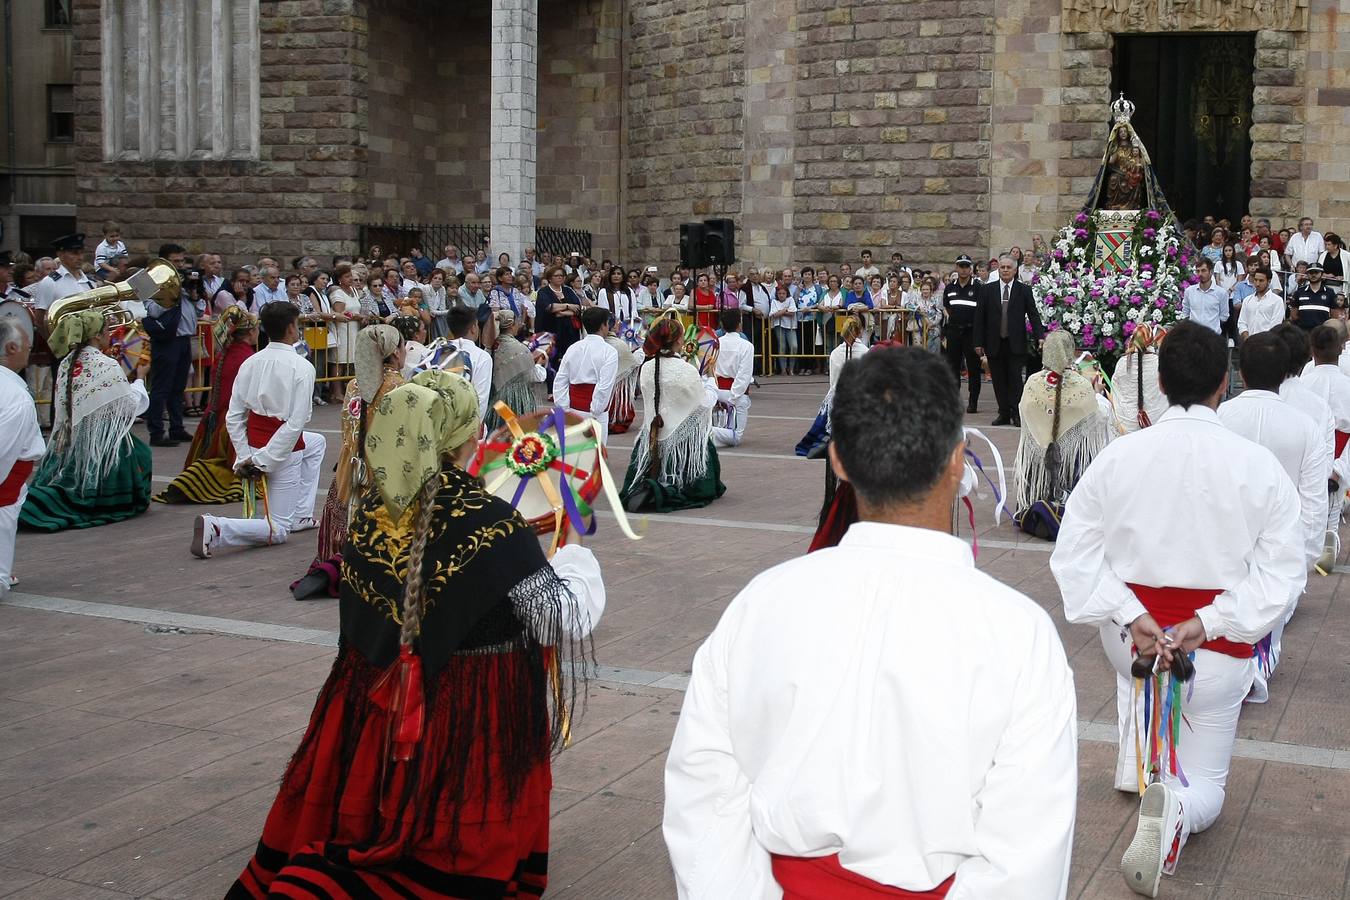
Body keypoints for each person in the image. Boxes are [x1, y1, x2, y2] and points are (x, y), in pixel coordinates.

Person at [666, 346, 1076, 898]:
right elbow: (1025, 855)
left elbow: (704, 794)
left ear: (837, 461)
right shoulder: (1020, 633)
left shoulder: (762, 604)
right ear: (959, 461)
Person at [230, 370, 605, 898]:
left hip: (377, 704)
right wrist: (575, 558)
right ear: (461, 438)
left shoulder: (368, 515)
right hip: (466, 719)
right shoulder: (493, 524)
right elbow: (560, 617)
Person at [1051, 321, 1304, 897]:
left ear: (1160, 382)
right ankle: (1179, 806)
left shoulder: (1119, 457)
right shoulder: (1257, 464)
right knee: (1209, 781)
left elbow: (1075, 554)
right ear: (1225, 383)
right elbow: (1283, 572)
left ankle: (1155, 782)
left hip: (1131, 644)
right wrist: (1208, 621)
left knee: (1154, 705)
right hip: (1211, 649)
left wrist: (1130, 612)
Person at [1216, 332, 1326, 703]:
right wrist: (1307, 555)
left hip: (1226, 535)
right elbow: (1313, 500)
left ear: (1241, 372)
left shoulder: (1221, 417)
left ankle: (1235, 668)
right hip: (1279, 538)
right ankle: (1249, 669)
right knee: (1265, 610)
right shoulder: (1304, 426)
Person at [191, 302, 326, 557]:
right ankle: (218, 528)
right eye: (297, 324)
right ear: (290, 328)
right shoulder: (302, 367)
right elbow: (295, 424)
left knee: (317, 443)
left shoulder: (251, 362)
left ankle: (302, 514)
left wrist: (245, 455)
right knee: (278, 530)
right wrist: (262, 460)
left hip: (256, 442)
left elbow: (235, 416)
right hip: (281, 449)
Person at [292, 324, 406, 601]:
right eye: (403, 347)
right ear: (393, 352)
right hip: (383, 474)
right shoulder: (402, 387)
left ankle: (336, 563)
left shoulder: (354, 385)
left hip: (349, 470)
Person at [19, 310, 153, 531]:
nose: (109, 334)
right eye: (106, 330)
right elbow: (129, 406)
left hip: (67, 441)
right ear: (96, 336)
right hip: (100, 444)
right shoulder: (106, 364)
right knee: (141, 455)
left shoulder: (66, 362)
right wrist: (139, 380)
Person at [1012, 330, 1112, 540]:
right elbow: (1098, 417)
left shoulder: (1033, 382)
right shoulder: (1082, 385)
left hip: (1038, 458)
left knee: (1037, 460)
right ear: (1068, 352)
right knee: (1079, 458)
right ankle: (1070, 504)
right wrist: (1099, 395)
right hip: (1072, 460)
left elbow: (1024, 410)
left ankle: (1035, 501)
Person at [154, 306, 258, 504]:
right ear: (251, 332)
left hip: (213, 415)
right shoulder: (246, 357)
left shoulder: (226, 352)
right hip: (231, 420)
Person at [620, 317, 726, 512]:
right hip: (683, 446)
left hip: (651, 438)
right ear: (679, 341)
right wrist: (711, 379)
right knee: (702, 445)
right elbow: (704, 404)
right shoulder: (686, 370)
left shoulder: (647, 367)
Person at [0, 318, 44, 594]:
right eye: (26, 346)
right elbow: (3, 450)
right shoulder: (15, 396)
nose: (29, 350)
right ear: (12, 347)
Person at [975, 254, 1044, 427]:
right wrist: (978, 342)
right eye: (1002, 267)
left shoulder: (1024, 290)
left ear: (1015, 270)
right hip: (994, 342)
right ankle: (1003, 413)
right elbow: (979, 318)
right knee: (998, 380)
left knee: (1015, 380)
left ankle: (1016, 413)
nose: (1005, 270)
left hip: (1015, 343)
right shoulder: (987, 290)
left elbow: (1033, 315)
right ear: (998, 269)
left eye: (1008, 267)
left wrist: (1040, 337)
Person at [142, 244, 200, 447]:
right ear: (165, 262)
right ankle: (156, 432)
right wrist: (172, 293)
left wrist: (193, 292)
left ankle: (177, 428)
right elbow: (150, 310)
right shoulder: (149, 281)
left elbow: (198, 309)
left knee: (178, 387)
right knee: (161, 387)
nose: (180, 265)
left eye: (182, 261)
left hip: (184, 339)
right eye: (175, 262)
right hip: (166, 340)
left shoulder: (182, 280)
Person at [554, 306, 620, 445]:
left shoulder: (573, 348)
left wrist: (564, 407)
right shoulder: (609, 352)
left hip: (573, 408)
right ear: (604, 325)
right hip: (595, 411)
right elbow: (605, 385)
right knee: (595, 457)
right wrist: (595, 410)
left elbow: (560, 380)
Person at [483, 308, 547, 434]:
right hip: (519, 402)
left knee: (496, 433)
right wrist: (539, 364)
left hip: (495, 401)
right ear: (512, 325)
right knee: (517, 434)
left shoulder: (490, 347)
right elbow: (534, 376)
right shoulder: (520, 349)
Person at [943, 254, 983, 412]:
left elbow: (982, 311)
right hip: (954, 331)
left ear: (971, 268)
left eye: (967, 266)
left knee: (973, 368)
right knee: (953, 368)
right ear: (956, 267)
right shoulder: (950, 287)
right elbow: (947, 307)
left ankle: (973, 402)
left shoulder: (978, 287)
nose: (964, 269)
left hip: (971, 332)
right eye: (961, 266)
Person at [1112, 323, 1167, 432]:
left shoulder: (1122, 363)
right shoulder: (1160, 363)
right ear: (1151, 340)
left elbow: (1115, 390)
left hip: (1126, 428)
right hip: (1156, 423)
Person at [711, 308, 754, 447]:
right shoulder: (746, 346)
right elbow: (744, 375)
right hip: (736, 395)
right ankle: (703, 431)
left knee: (732, 435)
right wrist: (733, 398)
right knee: (735, 437)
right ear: (739, 325)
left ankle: (706, 432)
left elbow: (709, 370)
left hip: (716, 391)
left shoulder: (716, 343)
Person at [446, 305, 494, 421]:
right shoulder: (481, 357)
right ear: (473, 328)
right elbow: (480, 400)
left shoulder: (435, 351)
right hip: (463, 423)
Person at [1181, 257, 1229, 335]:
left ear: (1211, 272)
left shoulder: (1221, 293)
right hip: (1193, 336)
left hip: (1213, 337)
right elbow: (1186, 312)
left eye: (1203, 271)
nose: (1200, 274)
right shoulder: (1189, 291)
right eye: (1198, 271)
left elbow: (1224, 316)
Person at [1290, 263, 1342, 331]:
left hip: (1322, 333)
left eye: (1316, 272)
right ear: (1307, 274)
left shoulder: (1330, 292)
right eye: (1311, 273)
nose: (1313, 275)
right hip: (1303, 332)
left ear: (1322, 274)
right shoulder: (1299, 292)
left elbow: (1334, 315)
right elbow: (1293, 314)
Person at [1237, 268, 1283, 338]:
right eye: (1255, 280)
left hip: (1267, 344)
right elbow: (1242, 322)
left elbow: (1275, 326)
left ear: (1269, 281)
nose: (1257, 284)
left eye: (1261, 281)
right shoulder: (1247, 300)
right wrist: (1246, 336)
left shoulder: (1277, 301)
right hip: (1249, 343)